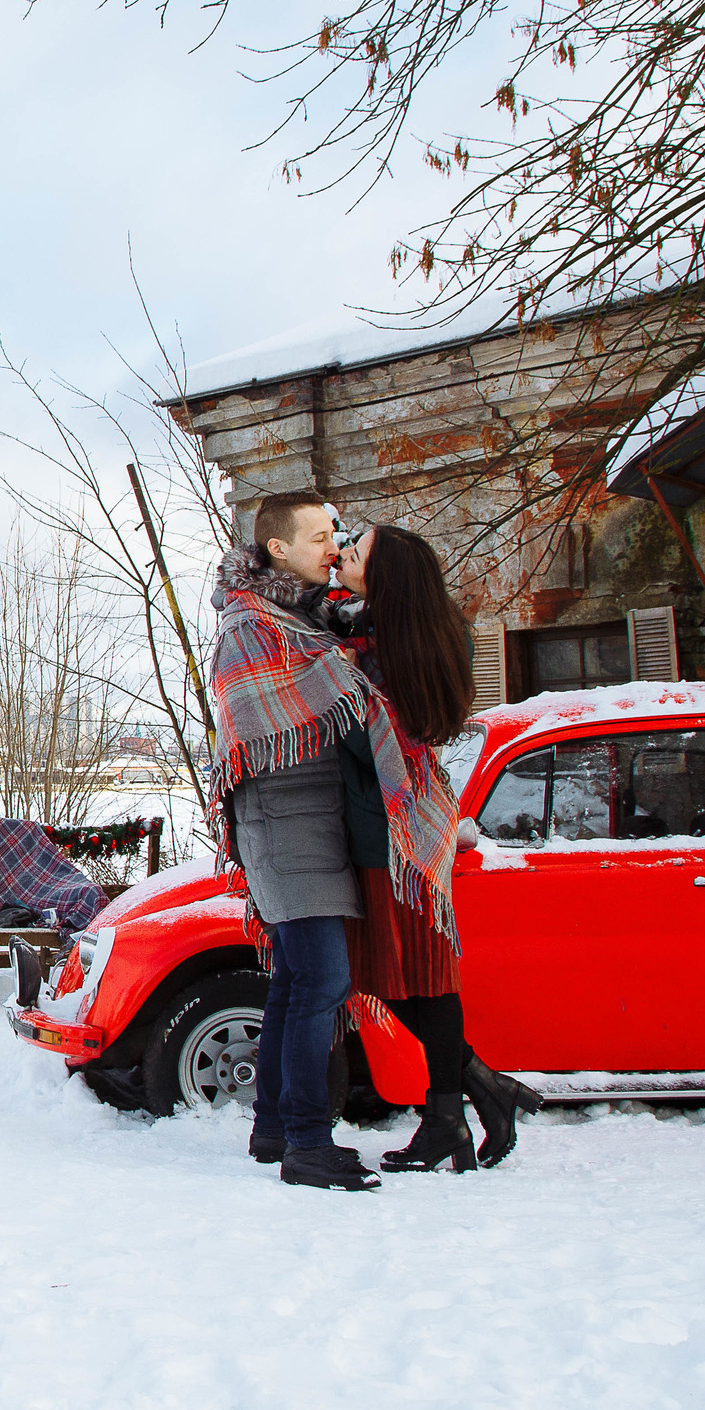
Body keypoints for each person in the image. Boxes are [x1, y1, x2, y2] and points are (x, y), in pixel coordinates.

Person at [332, 524, 542, 1169]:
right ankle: (468, 1098)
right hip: (415, 825)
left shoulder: (379, 656)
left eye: (355, 551)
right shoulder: (410, 637)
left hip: (388, 830)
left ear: (383, 578)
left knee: (403, 976)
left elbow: (366, 744)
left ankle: (457, 1106)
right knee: (414, 977)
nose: (341, 554)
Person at [209, 492, 397, 1192]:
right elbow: (304, 702)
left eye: (336, 532)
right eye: (319, 535)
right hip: (283, 822)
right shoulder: (253, 625)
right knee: (322, 979)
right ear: (279, 548)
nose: (333, 544)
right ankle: (309, 1144)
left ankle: (275, 1129)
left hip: (311, 820)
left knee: (295, 979)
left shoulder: (302, 618)